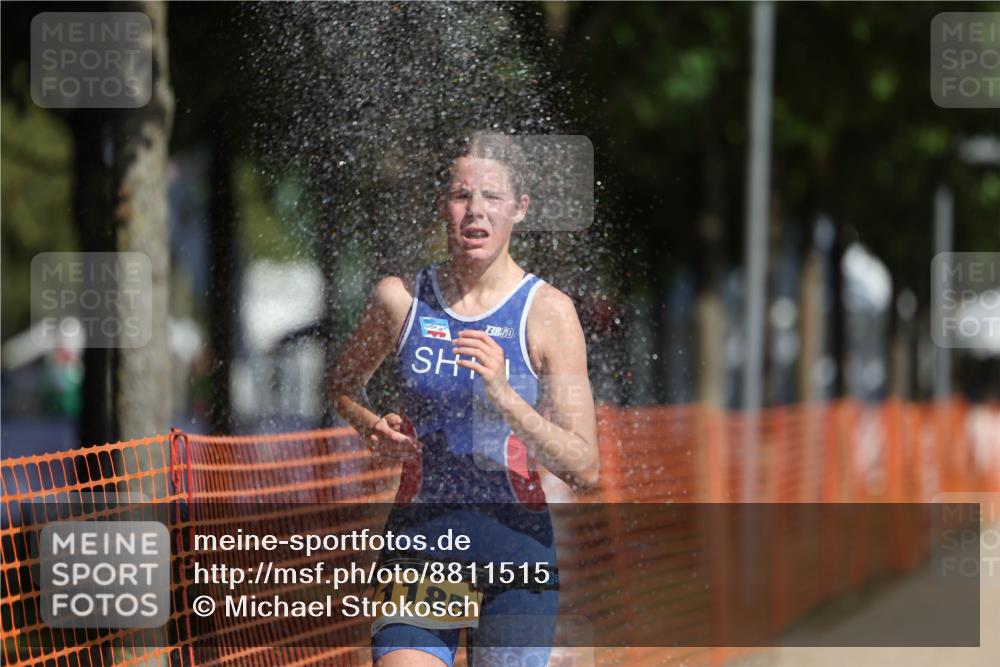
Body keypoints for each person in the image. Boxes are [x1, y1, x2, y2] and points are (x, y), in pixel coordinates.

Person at [330, 131, 599, 667]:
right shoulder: (401, 299)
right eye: (461, 195)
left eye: (493, 197)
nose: (476, 210)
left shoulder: (548, 313)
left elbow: (585, 467)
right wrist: (369, 426)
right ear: (443, 206)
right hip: (422, 548)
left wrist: (508, 399)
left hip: (516, 555)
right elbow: (340, 386)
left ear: (520, 209)